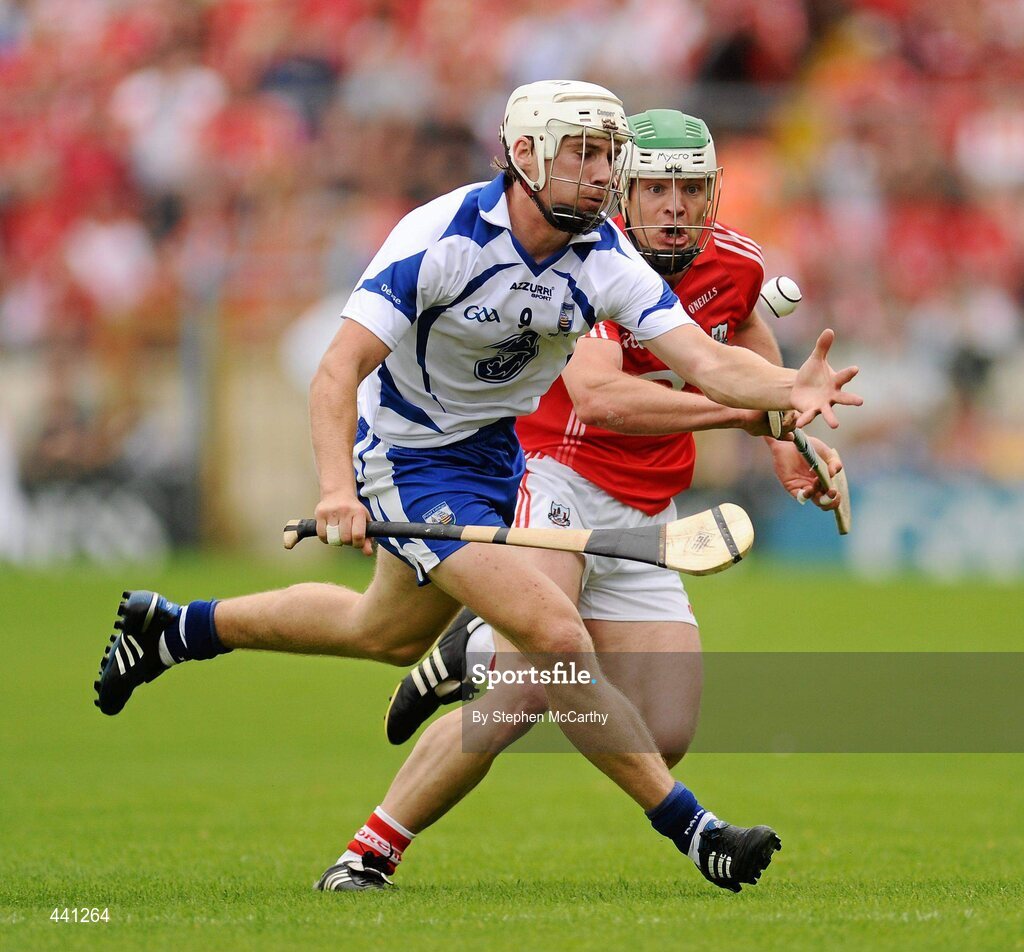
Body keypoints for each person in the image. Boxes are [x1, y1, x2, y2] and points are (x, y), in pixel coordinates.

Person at [93, 83, 860, 895]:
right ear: (526, 155)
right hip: (409, 460)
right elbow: (336, 370)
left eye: (607, 157)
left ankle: (174, 628)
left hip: (494, 460)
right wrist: (335, 489)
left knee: (380, 632)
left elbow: (707, 360)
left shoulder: (602, 255)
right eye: (584, 156)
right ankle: (698, 832)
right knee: (556, 639)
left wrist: (786, 394)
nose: (603, 176)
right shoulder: (443, 239)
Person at [325, 108, 847, 893]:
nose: (675, 206)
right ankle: (369, 852)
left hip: (646, 512)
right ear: (625, 192)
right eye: (658, 187)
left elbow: (745, 350)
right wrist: (747, 411)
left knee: (660, 734)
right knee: (533, 684)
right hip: (554, 478)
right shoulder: (592, 256)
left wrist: (788, 441)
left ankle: (474, 646)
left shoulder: (735, 263)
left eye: (692, 188)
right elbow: (602, 400)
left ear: (714, 194)